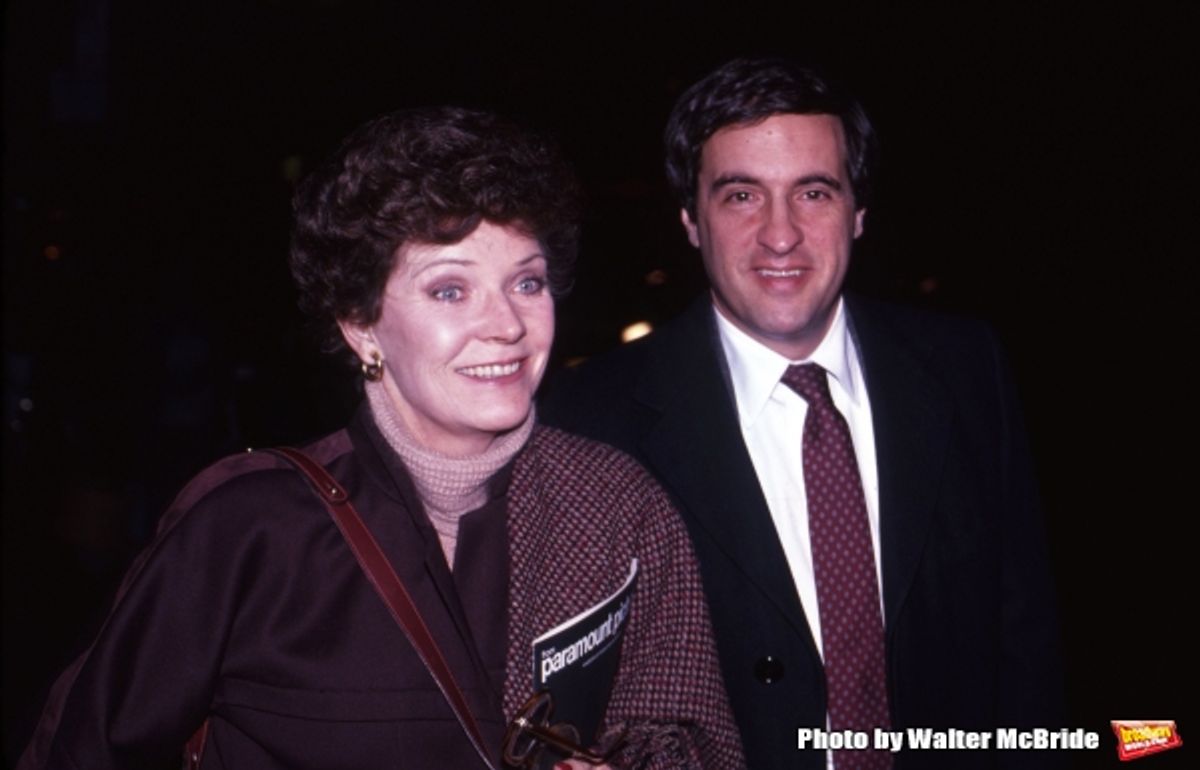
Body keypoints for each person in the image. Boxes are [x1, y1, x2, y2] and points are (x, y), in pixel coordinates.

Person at [18, 107, 744, 770]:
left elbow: (687, 736)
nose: (508, 325)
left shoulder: (615, 504)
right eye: (450, 290)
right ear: (361, 324)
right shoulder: (248, 528)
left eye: (526, 283)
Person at [542, 59, 1064, 770]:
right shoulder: (588, 418)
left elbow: (1025, 646)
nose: (780, 235)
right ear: (691, 219)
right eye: (741, 197)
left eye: (813, 192)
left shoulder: (966, 368)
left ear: (859, 210)